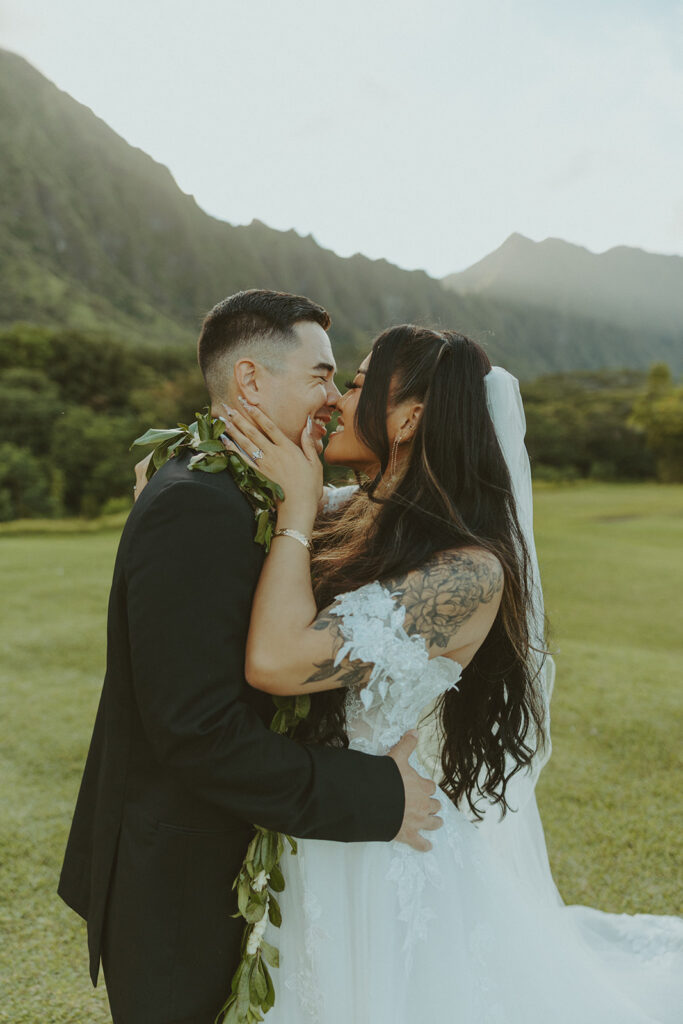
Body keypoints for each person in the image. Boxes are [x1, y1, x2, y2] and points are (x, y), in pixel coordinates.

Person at [219, 324, 683, 1023]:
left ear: (408, 419)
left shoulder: (465, 573)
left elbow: (278, 662)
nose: (337, 400)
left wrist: (296, 510)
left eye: (357, 385)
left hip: (378, 852)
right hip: (304, 820)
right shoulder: (344, 511)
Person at [58, 291, 442, 1024]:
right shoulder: (197, 502)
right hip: (183, 879)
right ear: (250, 380)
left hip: (242, 856)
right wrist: (377, 796)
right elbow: (197, 731)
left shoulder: (249, 491)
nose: (333, 397)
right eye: (320, 375)